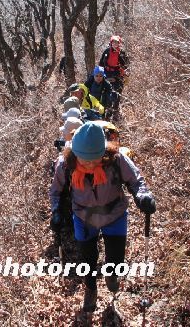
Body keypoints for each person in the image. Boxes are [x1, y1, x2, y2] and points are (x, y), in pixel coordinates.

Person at [49, 122, 156, 313]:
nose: (90, 164)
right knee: (87, 259)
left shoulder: (116, 159)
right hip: (83, 217)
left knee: (116, 258)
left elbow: (135, 180)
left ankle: (112, 275)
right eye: (85, 160)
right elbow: (56, 192)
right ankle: (91, 288)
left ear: (103, 151)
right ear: (75, 153)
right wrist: (56, 211)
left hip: (114, 214)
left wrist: (143, 196)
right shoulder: (65, 165)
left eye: (94, 159)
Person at [99, 36, 129, 118]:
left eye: (117, 42)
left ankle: (115, 110)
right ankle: (106, 110)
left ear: (119, 43)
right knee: (107, 92)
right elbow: (101, 64)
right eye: (113, 42)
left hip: (118, 75)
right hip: (107, 74)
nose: (115, 44)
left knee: (117, 93)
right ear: (111, 42)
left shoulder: (122, 53)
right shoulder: (106, 51)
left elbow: (126, 65)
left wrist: (125, 74)